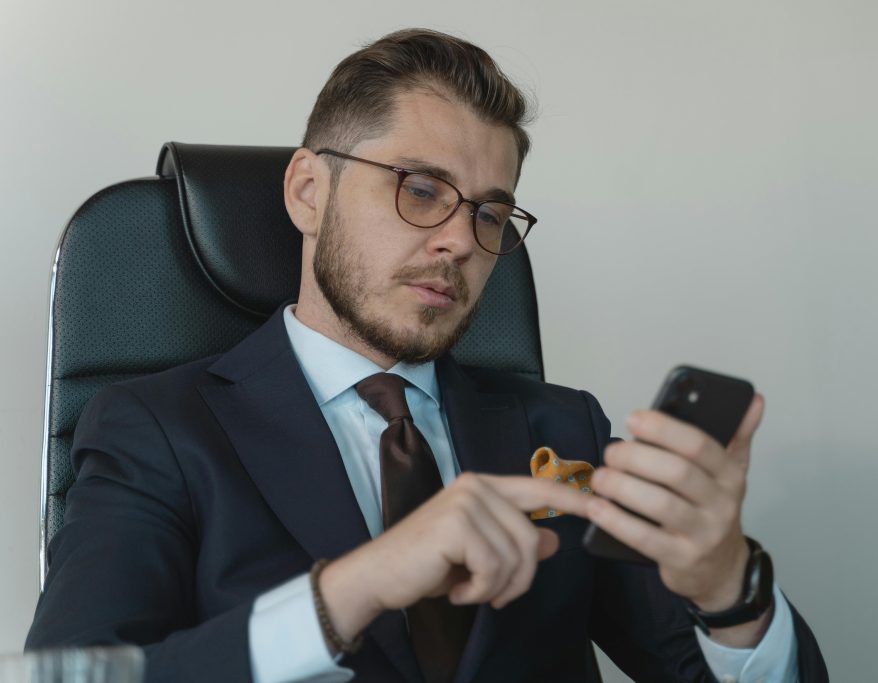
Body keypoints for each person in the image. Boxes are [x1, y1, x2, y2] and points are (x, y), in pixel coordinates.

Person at [26, 28, 827, 683]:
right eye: (418, 188)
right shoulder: (155, 429)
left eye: (490, 213)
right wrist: (353, 588)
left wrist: (730, 590)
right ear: (308, 191)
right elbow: (73, 674)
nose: (458, 240)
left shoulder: (565, 430)